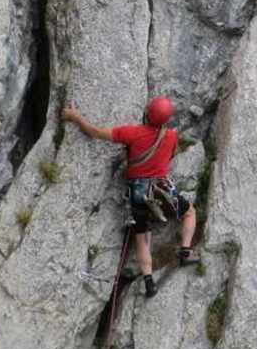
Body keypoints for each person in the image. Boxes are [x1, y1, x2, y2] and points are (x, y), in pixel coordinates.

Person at [61, 97, 198, 298]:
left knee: (142, 239)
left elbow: (95, 132)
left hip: (138, 192)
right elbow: (170, 155)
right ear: (166, 120)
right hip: (162, 188)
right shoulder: (170, 136)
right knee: (189, 213)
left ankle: (149, 283)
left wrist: (75, 116)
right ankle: (186, 252)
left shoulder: (131, 134)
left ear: (147, 113)